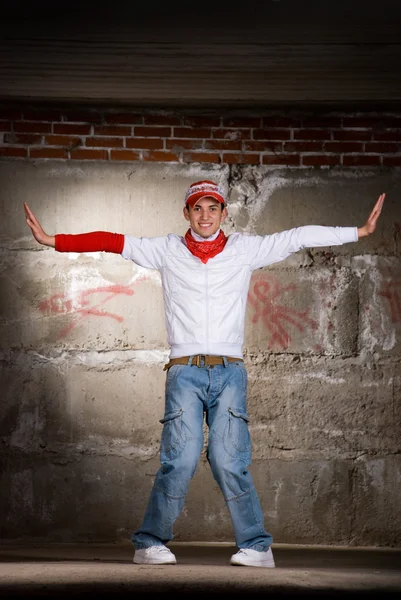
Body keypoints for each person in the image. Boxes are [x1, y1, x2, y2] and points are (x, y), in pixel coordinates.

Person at [24, 181, 385, 568]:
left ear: (224, 212)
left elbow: (296, 237)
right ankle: (149, 542)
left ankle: (257, 547)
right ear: (187, 213)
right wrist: (52, 240)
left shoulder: (245, 249)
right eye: (198, 208)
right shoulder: (166, 250)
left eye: (213, 208)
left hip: (230, 372)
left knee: (229, 460)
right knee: (179, 459)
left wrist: (357, 232)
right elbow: (111, 240)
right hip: (184, 373)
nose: (206, 215)